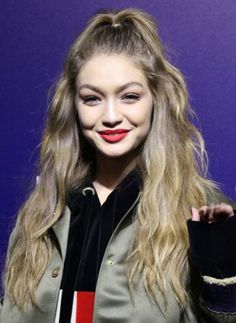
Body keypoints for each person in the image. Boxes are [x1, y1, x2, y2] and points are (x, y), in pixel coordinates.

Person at [1, 7, 236, 323]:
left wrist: (222, 276)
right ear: (73, 105)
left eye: (129, 96)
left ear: (155, 99)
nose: (110, 116)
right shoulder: (44, 208)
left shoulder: (199, 208)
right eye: (92, 99)